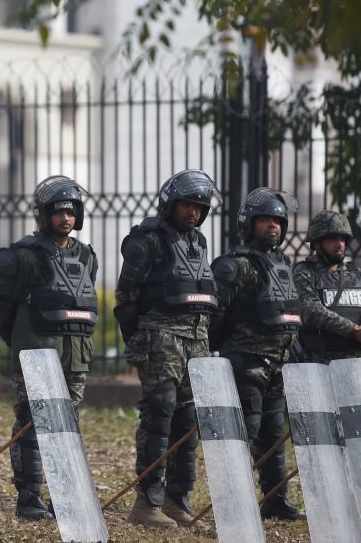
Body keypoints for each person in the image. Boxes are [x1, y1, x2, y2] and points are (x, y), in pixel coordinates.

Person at [0, 175, 98, 521]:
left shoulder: (86, 256)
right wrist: (24, 341)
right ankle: (30, 495)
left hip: (75, 357)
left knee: (68, 424)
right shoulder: (23, 257)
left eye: (71, 212)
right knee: (32, 423)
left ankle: (64, 492)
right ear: (43, 214)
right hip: (37, 356)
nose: (65, 218)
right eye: (58, 212)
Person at [114, 170, 221, 529]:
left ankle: (177, 501)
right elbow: (126, 298)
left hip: (197, 340)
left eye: (199, 207)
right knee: (159, 413)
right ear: (171, 204)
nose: (193, 212)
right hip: (160, 337)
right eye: (187, 205)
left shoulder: (199, 243)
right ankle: (147, 503)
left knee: (188, 420)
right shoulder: (147, 240)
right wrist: (140, 339)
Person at [210, 187, 305, 521]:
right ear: (248, 224)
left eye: (278, 221)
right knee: (244, 433)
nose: (273, 227)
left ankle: (275, 501)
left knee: (273, 436)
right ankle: (233, 503)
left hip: (279, 365)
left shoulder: (284, 265)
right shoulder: (233, 266)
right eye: (265, 220)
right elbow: (214, 314)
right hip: (246, 361)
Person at [293, 210, 361, 363]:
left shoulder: (356, 273)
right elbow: (311, 310)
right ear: (317, 242)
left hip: (358, 365)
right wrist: (354, 330)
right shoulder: (304, 271)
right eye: (332, 238)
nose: (339, 244)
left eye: (343, 239)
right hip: (319, 365)